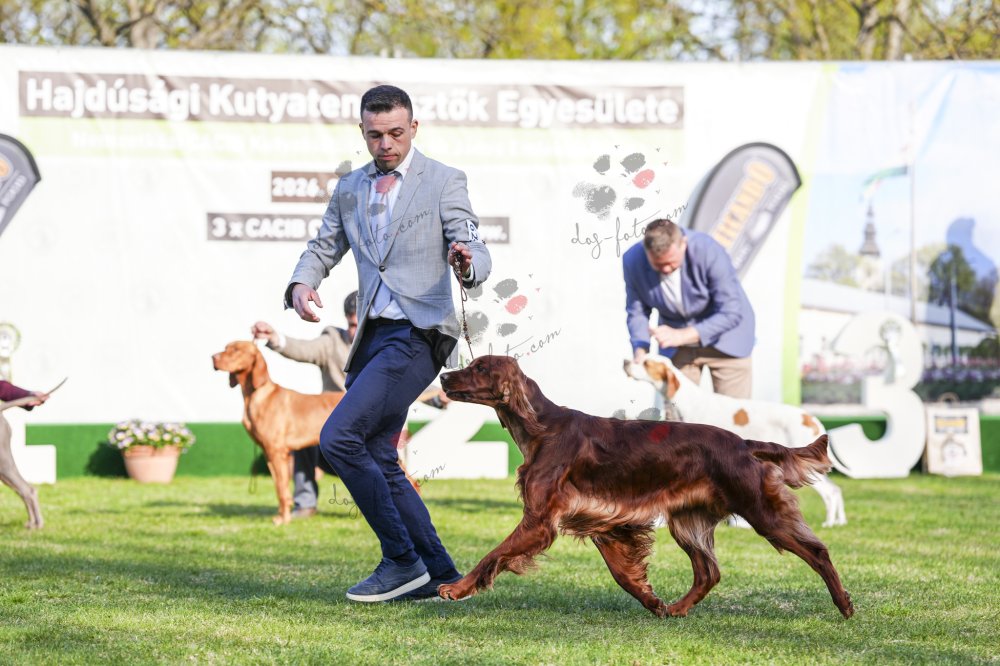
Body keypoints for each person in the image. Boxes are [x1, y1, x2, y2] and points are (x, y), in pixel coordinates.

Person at [284, 84, 491, 602]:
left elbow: (473, 241)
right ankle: (440, 574)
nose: (386, 144)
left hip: (421, 333)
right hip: (372, 337)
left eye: (396, 133)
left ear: (413, 128)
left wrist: (467, 262)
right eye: (375, 135)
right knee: (378, 452)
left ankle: (400, 560)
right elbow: (324, 246)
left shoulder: (443, 180)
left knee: (338, 438)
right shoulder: (350, 187)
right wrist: (302, 283)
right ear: (362, 132)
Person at [251, 291, 359, 520]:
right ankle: (305, 503)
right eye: (352, 325)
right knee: (301, 434)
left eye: (362, 325)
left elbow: (410, 380)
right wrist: (274, 337)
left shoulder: (386, 347)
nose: (356, 331)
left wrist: (436, 397)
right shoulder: (333, 342)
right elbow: (303, 349)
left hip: (364, 435)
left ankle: (383, 501)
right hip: (332, 428)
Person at [624, 218, 755, 398]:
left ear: (683, 244)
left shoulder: (709, 250)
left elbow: (731, 311)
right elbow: (637, 311)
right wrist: (641, 349)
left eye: (671, 262)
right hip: (678, 349)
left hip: (727, 341)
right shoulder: (632, 260)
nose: (666, 269)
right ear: (646, 252)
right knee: (676, 412)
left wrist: (681, 335)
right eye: (658, 265)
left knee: (733, 414)